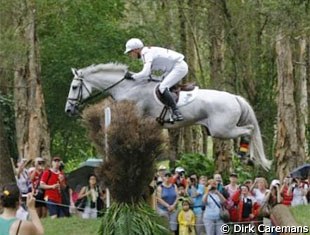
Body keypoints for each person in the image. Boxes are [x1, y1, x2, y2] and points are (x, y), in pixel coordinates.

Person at [124, 38, 188, 121]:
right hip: (172, 68)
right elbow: (148, 75)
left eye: (130, 52)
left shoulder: (146, 53)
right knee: (159, 84)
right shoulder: (145, 53)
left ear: (136, 50)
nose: (130, 55)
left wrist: (132, 76)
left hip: (179, 67)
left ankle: (176, 112)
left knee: (162, 87)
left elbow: (145, 73)